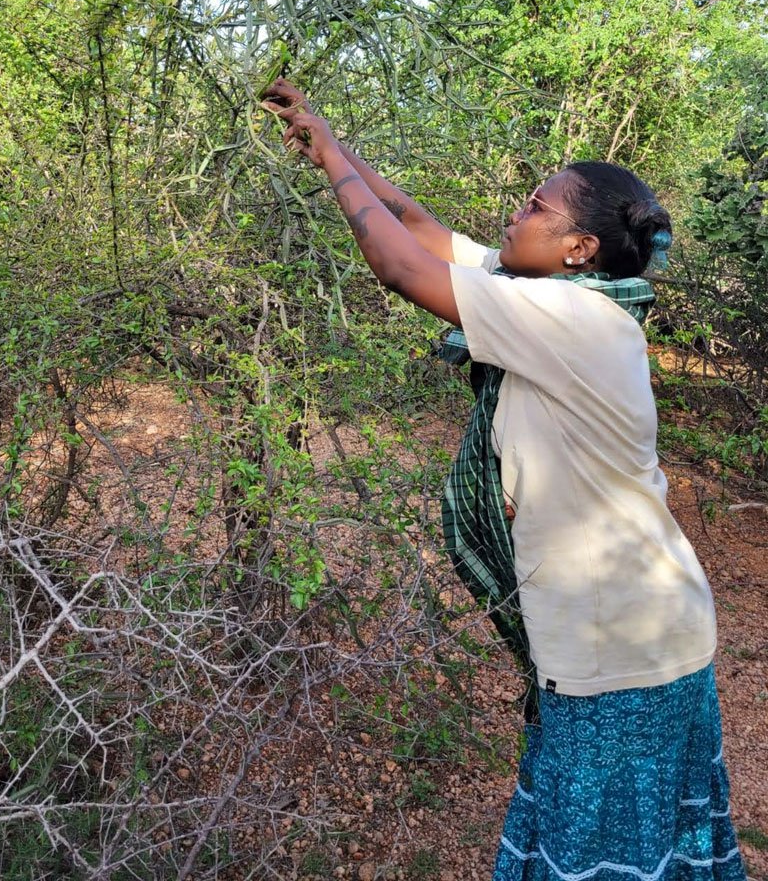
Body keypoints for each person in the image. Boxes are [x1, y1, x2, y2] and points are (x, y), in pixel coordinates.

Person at [260, 78, 746, 881]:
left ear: (578, 248)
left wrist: (334, 163)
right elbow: (419, 227)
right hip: (624, 634)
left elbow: (395, 260)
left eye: (534, 208)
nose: (514, 217)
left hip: (624, 646)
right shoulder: (552, 295)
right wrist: (325, 141)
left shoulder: (575, 320)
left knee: (600, 857)